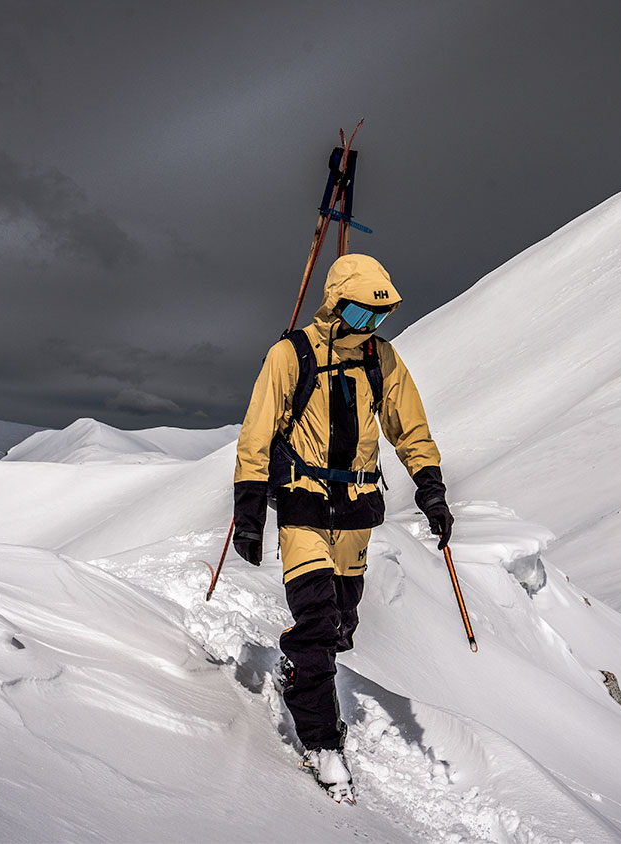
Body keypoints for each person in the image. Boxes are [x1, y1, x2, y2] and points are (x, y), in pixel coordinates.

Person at [232, 253, 453, 800]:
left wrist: (432, 489)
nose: (370, 327)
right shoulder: (290, 355)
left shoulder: (382, 359)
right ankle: (324, 741)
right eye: (361, 314)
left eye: (380, 318)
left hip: (356, 508)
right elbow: (256, 434)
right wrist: (251, 512)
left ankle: (301, 667)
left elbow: (410, 426)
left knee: (339, 627)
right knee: (316, 618)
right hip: (304, 501)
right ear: (336, 303)